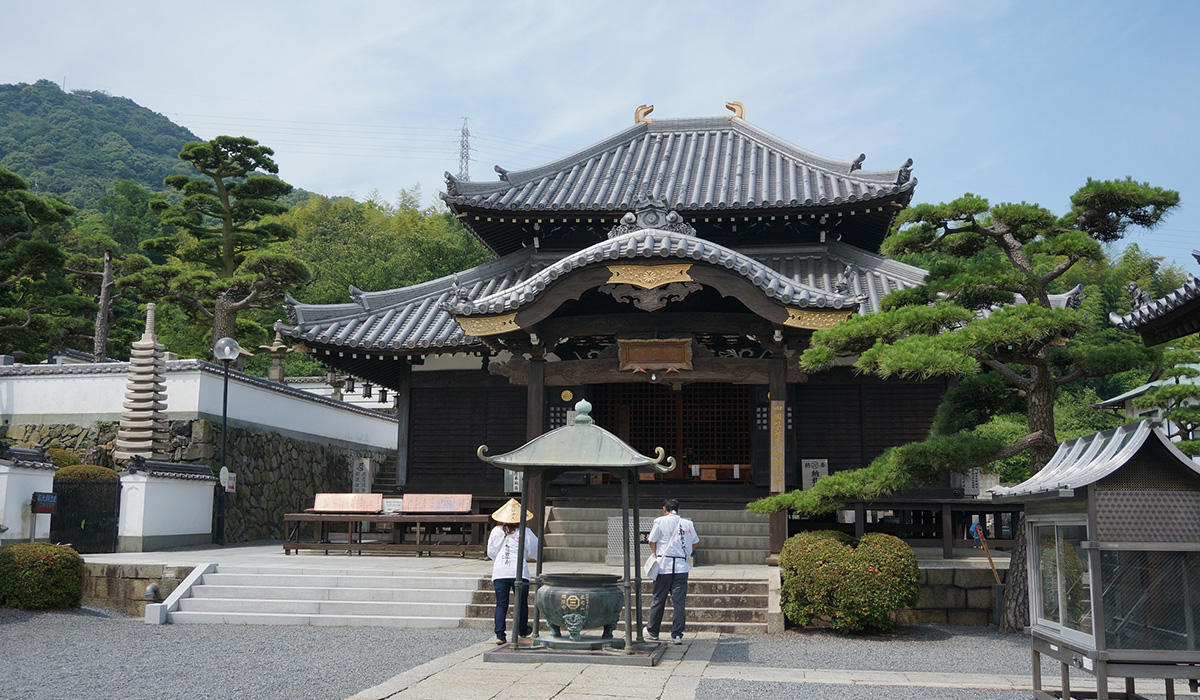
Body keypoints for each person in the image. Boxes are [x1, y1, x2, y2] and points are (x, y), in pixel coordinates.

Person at [643, 498, 699, 645]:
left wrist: (656, 555)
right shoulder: (687, 523)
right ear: (678, 509)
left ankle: (653, 631)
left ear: (664, 509)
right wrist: (685, 553)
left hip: (664, 566)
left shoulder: (660, 521)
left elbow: (651, 540)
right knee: (679, 602)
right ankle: (677, 634)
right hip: (681, 567)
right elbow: (695, 541)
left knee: (658, 599)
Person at [487, 498, 538, 645]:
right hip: (519, 571)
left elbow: (491, 552)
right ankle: (522, 630)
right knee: (521, 603)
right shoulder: (526, 531)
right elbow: (534, 551)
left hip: (500, 572)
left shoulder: (496, 531)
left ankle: (500, 635)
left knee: (501, 604)